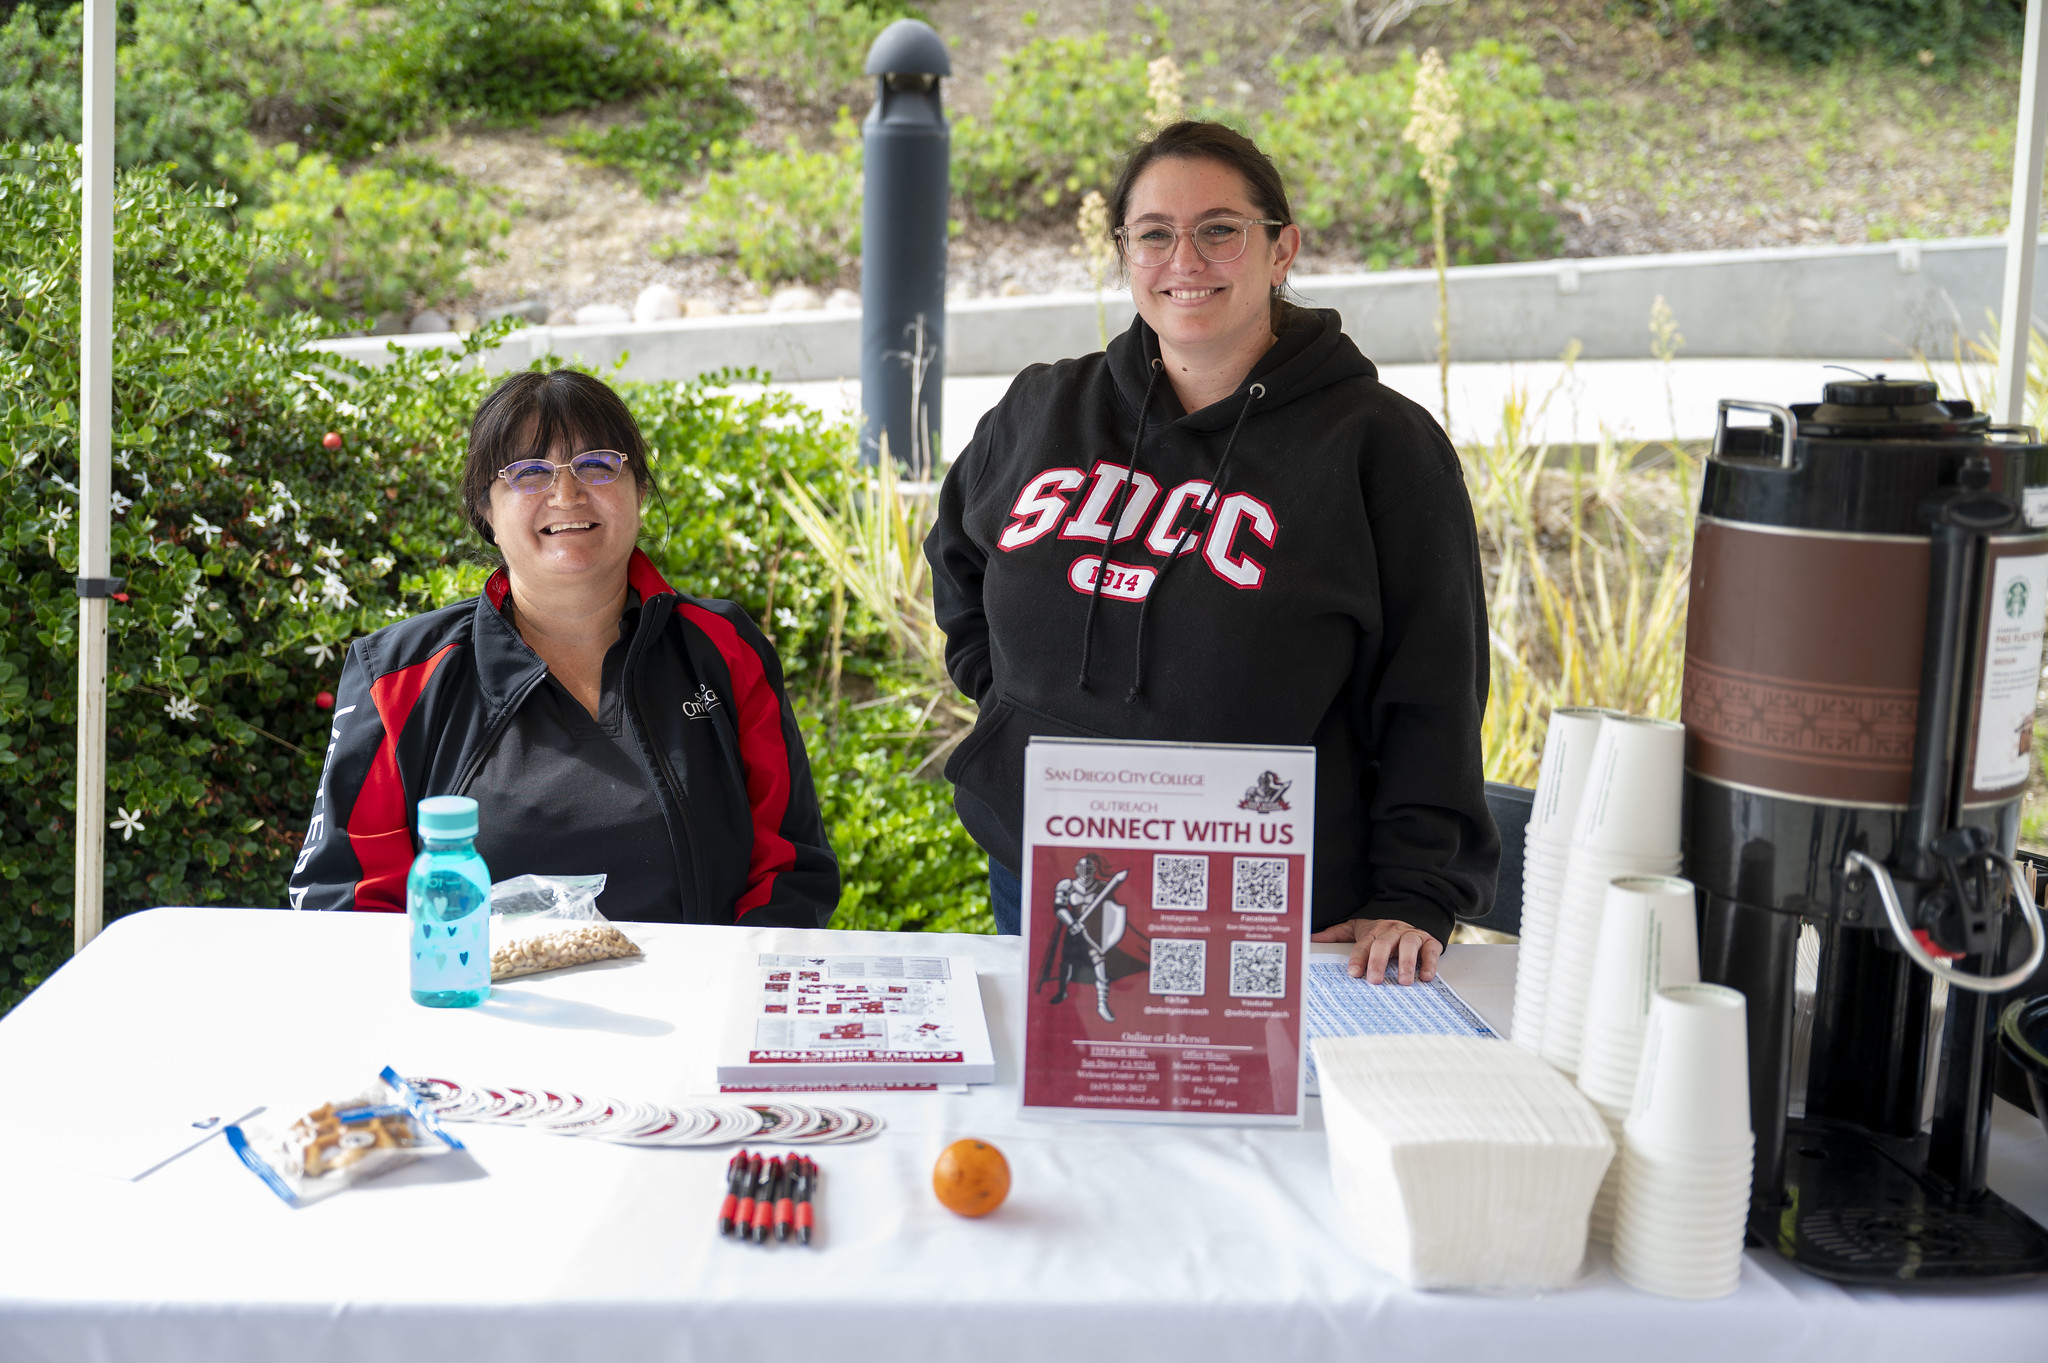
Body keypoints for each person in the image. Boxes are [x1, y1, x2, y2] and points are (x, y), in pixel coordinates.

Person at [926, 121, 1497, 985]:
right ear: (1125, 254)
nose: (1184, 259)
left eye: (1220, 229)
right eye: (1154, 233)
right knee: (1070, 1111)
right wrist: (1008, 703)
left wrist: (1414, 888)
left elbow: (1433, 684)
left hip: (1269, 895)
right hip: (1049, 866)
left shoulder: (1380, 446)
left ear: (1281, 249)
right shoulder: (1044, 409)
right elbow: (958, 558)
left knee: (1236, 1119)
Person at [290, 369, 838, 927]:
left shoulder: (723, 649)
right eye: (529, 473)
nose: (567, 494)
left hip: (701, 1002)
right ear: (487, 510)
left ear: (639, 491)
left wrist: (720, 995)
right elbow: (344, 903)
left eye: (597, 465)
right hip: (480, 1008)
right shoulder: (398, 677)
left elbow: (791, 870)